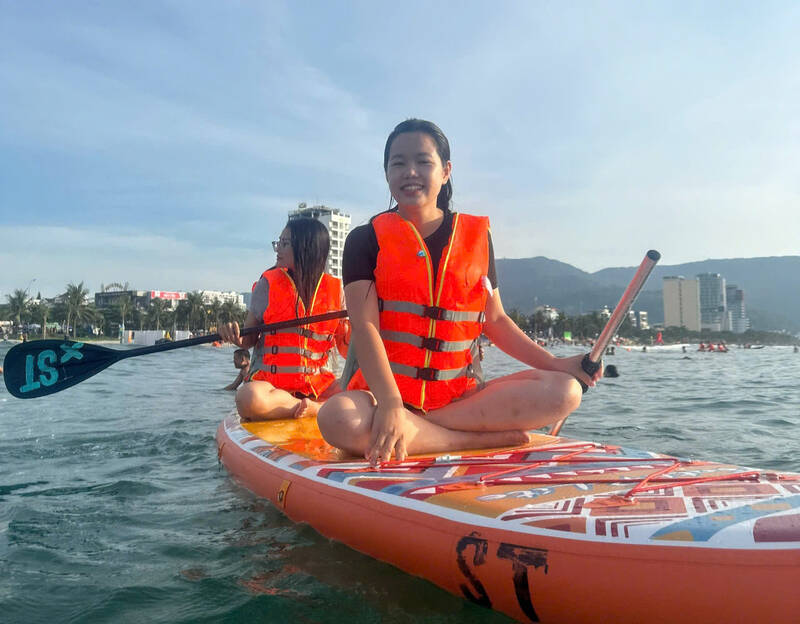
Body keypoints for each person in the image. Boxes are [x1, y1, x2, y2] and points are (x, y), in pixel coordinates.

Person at [317, 119, 601, 466]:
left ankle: (420, 431)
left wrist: (557, 364)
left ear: (446, 171)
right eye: (398, 163)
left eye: (423, 161)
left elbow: (494, 320)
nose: (410, 172)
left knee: (565, 392)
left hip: (459, 400)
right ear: (386, 172)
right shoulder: (365, 240)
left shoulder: (476, 237)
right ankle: (465, 439)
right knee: (336, 418)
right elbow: (366, 328)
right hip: (381, 398)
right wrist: (391, 404)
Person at [218, 218, 349, 421]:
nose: (277, 249)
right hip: (272, 388)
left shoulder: (336, 291)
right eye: (278, 242)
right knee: (248, 397)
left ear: (306, 249)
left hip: (319, 387)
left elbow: (346, 350)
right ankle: (311, 409)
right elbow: (248, 340)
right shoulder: (267, 285)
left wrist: (355, 331)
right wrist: (232, 335)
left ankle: (315, 407)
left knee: (367, 388)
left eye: (285, 243)